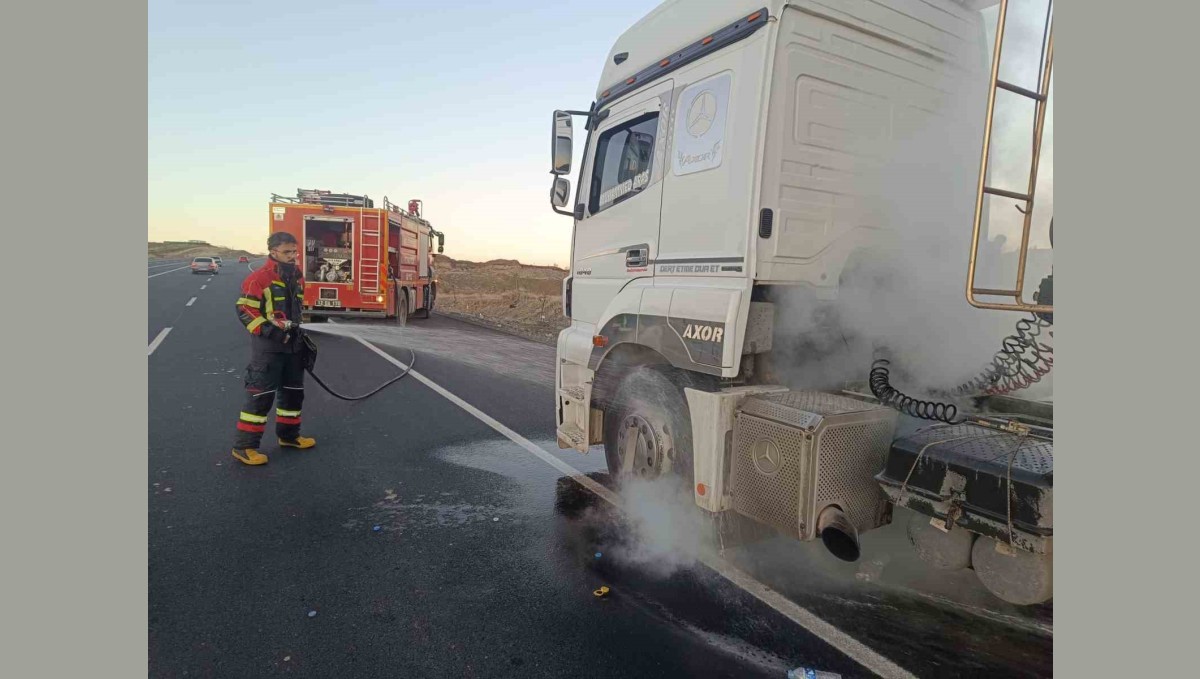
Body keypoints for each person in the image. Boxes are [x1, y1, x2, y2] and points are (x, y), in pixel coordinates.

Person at [230, 232, 316, 466]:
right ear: (273, 252)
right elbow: (245, 311)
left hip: (293, 348)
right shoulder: (259, 279)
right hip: (269, 349)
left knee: (293, 394)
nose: (293, 256)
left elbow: (298, 310)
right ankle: (244, 447)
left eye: (294, 252)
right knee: (260, 397)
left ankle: (289, 437)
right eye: (287, 252)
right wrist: (271, 331)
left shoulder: (297, 278)